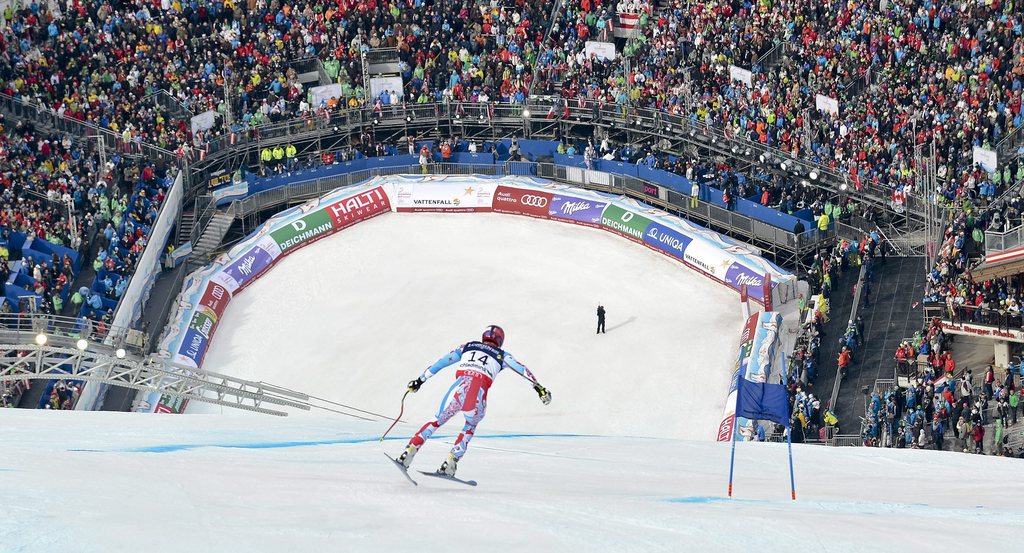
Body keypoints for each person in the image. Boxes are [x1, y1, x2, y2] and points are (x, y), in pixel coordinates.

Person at [397, 325, 552, 476]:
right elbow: (522, 369)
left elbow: (442, 362)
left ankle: (410, 450)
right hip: (479, 397)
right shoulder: (502, 355)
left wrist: (420, 380)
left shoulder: (468, 346)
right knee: (470, 425)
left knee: (437, 421)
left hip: (458, 391)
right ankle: (452, 460)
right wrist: (539, 388)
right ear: (500, 340)